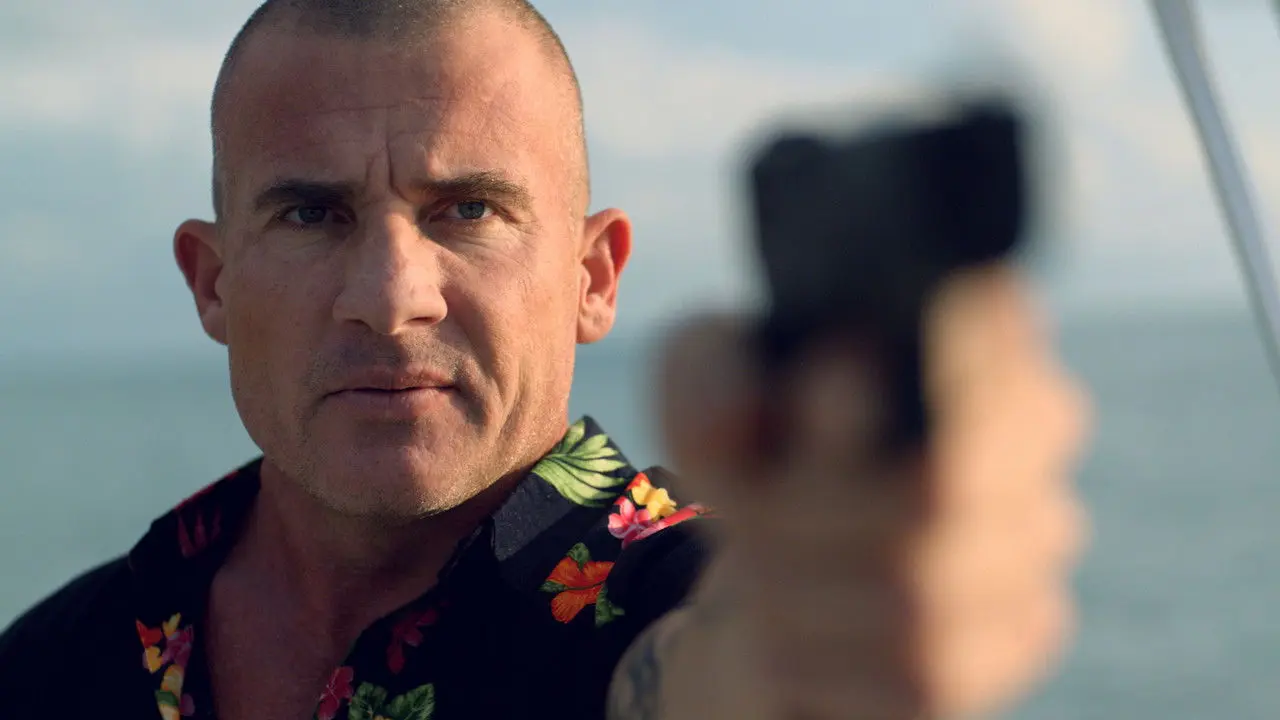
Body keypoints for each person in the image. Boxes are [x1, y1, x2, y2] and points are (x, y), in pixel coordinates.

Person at [0, 1, 1091, 718]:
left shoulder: (678, 598)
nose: (390, 298)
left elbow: (728, 675)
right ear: (212, 284)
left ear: (592, 278)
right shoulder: (57, 660)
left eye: (468, 210)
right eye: (311, 214)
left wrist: (830, 624)